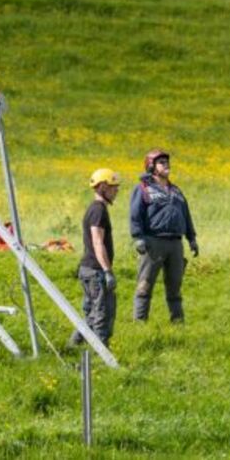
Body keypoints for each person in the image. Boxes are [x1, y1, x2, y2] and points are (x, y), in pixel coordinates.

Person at [129, 148, 197, 324]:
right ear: (151, 166)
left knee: (175, 287)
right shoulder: (143, 188)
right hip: (153, 242)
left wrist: (192, 238)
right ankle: (139, 323)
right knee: (144, 285)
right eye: (161, 162)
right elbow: (135, 214)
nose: (166, 165)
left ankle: (178, 323)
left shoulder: (176, 191)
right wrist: (138, 237)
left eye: (167, 162)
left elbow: (186, 214)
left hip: (175, 244)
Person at [73, 167, 121, 348]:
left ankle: (73, 346)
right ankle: (102, 353)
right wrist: (107, 271)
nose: (116, 190)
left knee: (91, 313)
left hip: (90, 269)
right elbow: (97, 242)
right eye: (113, 186)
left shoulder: (97, 209)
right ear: (102, 187)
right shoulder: (98, 210)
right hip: (95, 270)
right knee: (102, 312)